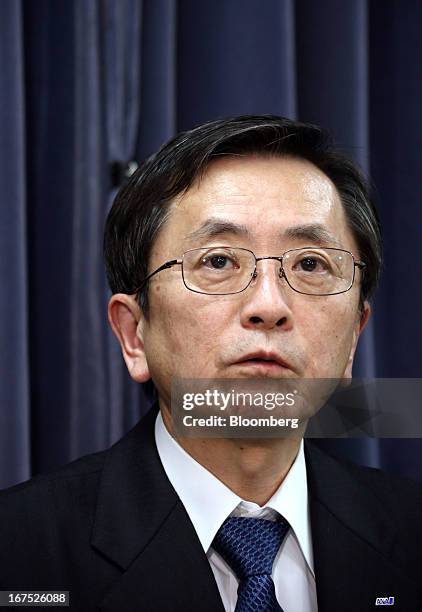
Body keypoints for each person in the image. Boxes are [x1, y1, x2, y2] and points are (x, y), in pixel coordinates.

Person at [1, 115, 421, 611]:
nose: (269, 305)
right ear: (134, 333)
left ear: (354, 337)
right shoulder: (20, 552)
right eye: (219, 261)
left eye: (310, 264)